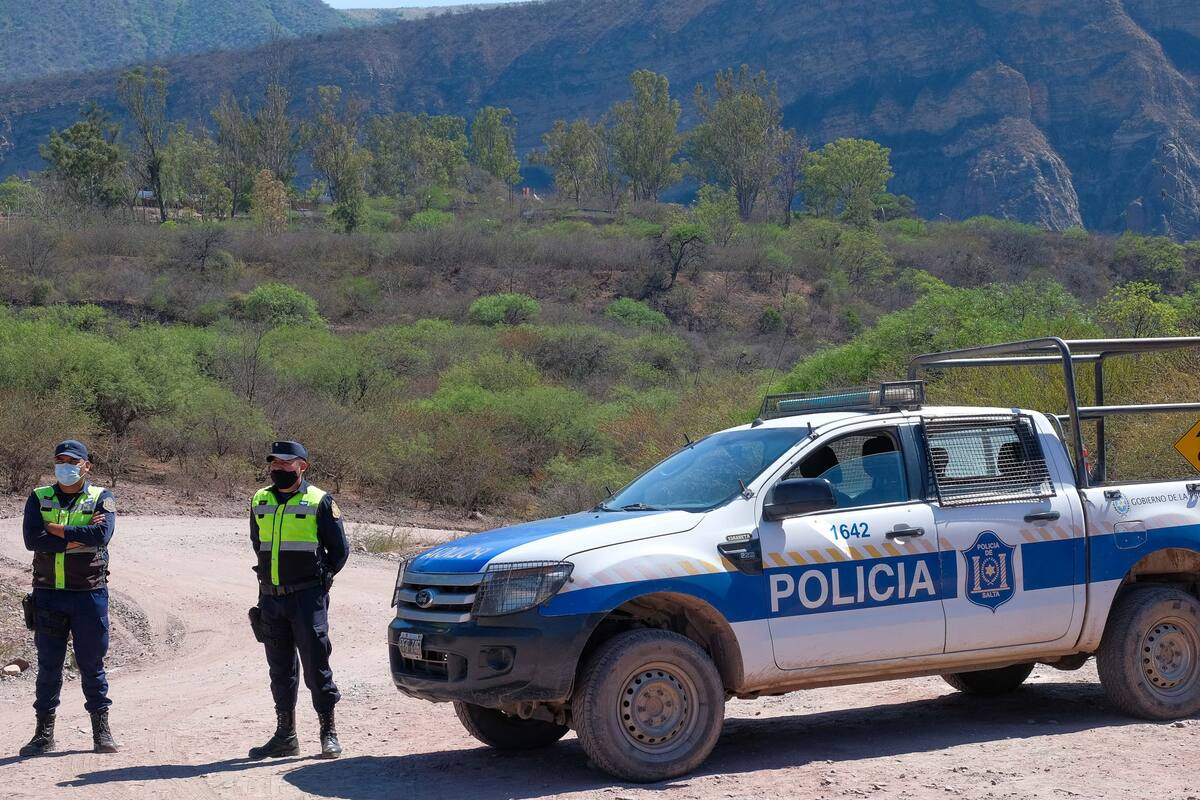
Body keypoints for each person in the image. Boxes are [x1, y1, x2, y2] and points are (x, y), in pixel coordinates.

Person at [248, 441, 349, 760]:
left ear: (302, 466)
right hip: (271, 599)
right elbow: (258, 543)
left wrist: (322, 579)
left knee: (316, 667)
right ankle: (285, 736)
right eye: (274, 464)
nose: (278, 469)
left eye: (286, 464)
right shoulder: (259, 498)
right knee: (279, 670)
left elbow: (340, 551)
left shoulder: (320, 501)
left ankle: (328, 733)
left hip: (307, 599)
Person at [19, 439, 119, 756]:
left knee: (92, 665)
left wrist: (57, 531)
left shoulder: (101, 497)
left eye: (72, 461)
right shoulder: (39, 497)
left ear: (85, 465)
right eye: (60, 460)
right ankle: (43, 734)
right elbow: (31, 540)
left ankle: (101, 733)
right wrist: (77, 538)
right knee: (49, 666)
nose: (65, 466)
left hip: (89, 595)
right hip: (48, 594)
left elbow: (101, 536)